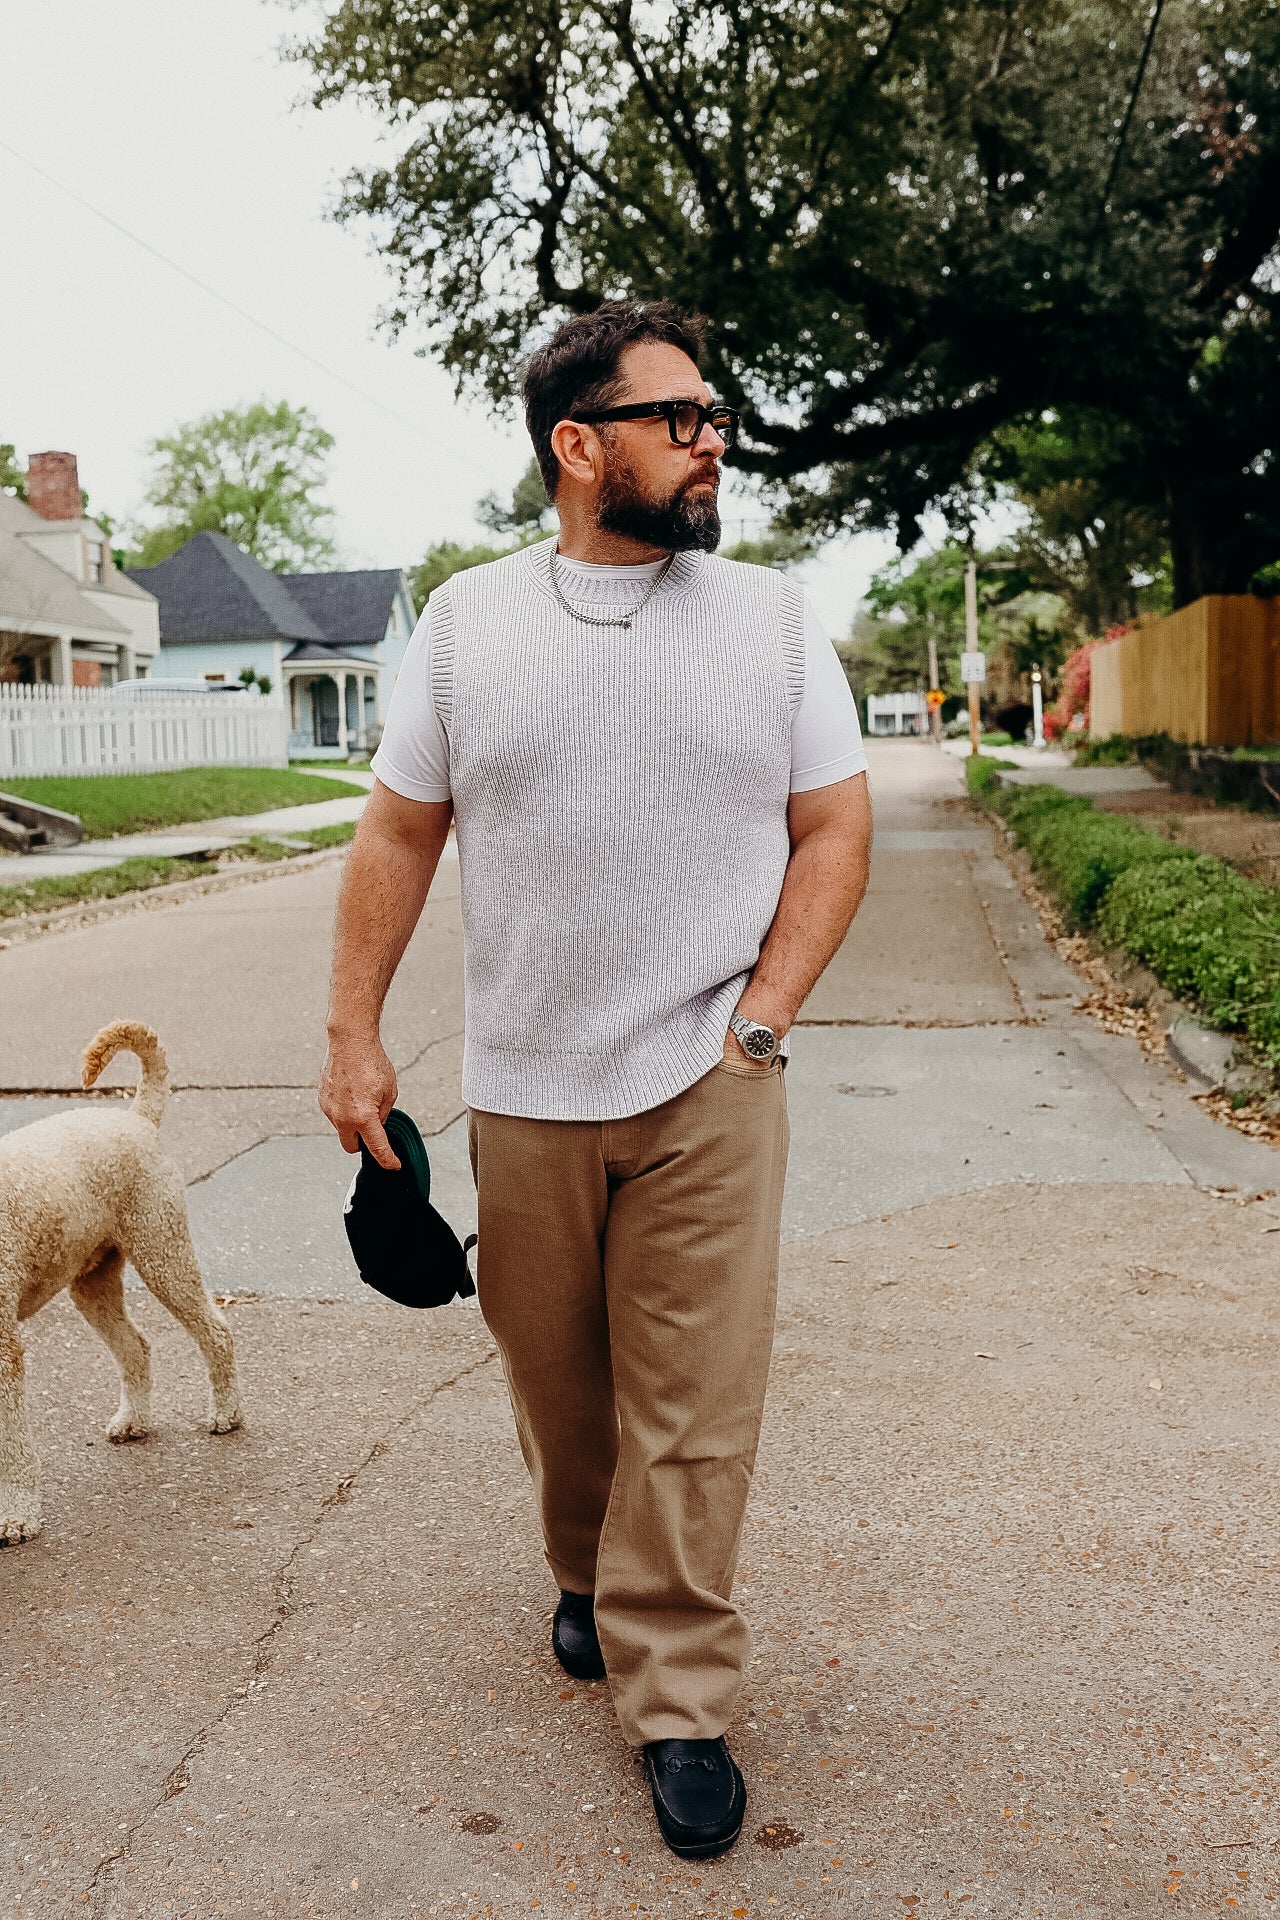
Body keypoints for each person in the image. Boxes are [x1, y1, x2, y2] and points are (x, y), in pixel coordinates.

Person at [320, 301, 873, 1860]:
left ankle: (681, 1694)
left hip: (709, 1074)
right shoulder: (462, 622)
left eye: (716, 415)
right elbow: (399, 834)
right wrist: (355, 1033)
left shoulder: (770, 618)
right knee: (563, 1390)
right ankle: (583, 1564)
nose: (716, 440)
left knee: (693, 1408)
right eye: (681, 416)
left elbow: (833, 824)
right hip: (527, 1086)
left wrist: (758, 1023)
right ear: (581, 447)